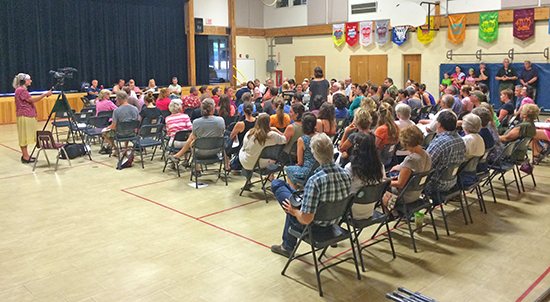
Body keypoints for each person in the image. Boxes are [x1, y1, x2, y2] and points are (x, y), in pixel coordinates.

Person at [270, 133, 351, 257]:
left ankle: (287, 247)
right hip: (334, 220)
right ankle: (286, 246)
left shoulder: (315, 181)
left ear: (314, 154)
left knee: (279, 188)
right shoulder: (346, 174)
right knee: (291, 196)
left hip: (315, 225)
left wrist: (294, 211)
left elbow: (306, 219)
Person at [168, 98, 226, 175]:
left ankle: (196, 168)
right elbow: (221, 134)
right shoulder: (221, 120)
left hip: (200, 151)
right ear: (213, 109)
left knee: (192, 140)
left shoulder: (196, 122)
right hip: (216, 150)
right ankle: (227, 166)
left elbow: (194, 138)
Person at [384, 125, 431, 208]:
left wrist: (384, 183)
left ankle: (392, 213)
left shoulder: (411, 160)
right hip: (417, 193)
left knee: (380, 190)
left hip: (404, 196)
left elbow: (400, 184)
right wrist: (400, 167)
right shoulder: (427, 155)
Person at [13, 73, 53, 163]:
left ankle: (26, 155)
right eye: (29, 79)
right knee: (24, 136)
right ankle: (25, 156)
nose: (31, 81)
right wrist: (44, 94)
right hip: (24, 115)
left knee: (26, 136)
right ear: (24, 81)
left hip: (27, 115)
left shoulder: (22, 90)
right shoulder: (21, 90)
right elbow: (31, 100)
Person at [239, 114, 286, 190]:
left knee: (244, 151)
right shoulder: (273, 135)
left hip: (247, 162)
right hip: (263, 164)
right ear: (268, 123)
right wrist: (276, 130)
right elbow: (285, 140)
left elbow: (244, 148)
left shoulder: (249, 133)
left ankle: (248, 180)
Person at [344, 131, 385, 219]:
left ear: (355, 148)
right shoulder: (380, 167)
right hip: (370, 208)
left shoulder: (350, 168)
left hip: (350, 211)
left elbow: (344, 191)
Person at [425, 110, 466, 197]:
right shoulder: (460, 140)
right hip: (452, 181)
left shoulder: (439, 143)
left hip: (435, 184)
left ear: (439, 125)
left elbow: (426, 165)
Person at [101, 91, 140, 157]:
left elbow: (113, 126)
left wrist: (107, 128)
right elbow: (137, 122)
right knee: (128, 126)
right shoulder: (135, 109)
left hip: (120, 134)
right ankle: (125, 148)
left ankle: (116, 149)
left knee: (104, 132)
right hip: (132, 133)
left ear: (118, 99)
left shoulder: (117, 111)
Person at [285, 113, 318, 188]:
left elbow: (300, 162)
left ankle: (294, 194)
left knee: (288, 169)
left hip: (307, 170)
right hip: (319, 168)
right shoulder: (321, 136)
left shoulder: (302, 140)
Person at [229, 102, 257, 171]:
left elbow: (231, 136)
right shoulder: (258, 121)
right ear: (252, 110)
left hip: (243, 148)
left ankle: (227, 165)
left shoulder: (240, 124)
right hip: (255, 146)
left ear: (243, 110)